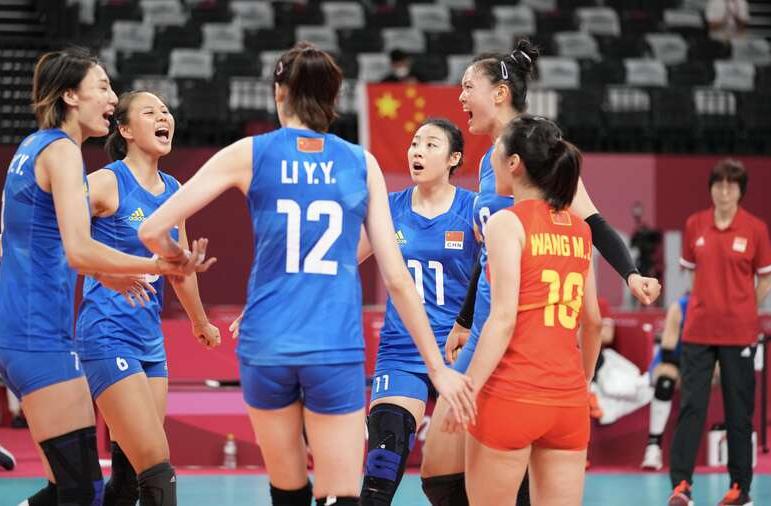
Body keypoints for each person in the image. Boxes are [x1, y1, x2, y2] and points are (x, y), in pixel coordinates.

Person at [138, 42, 476, 506]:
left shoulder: (250, 153)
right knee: (341, 494)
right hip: (332, 344)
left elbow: (152, 230)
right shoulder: (360, 163)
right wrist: (438, 369)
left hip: (267, 340)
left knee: (288, 490)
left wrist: (176, 258)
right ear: (334, 98)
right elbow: (398, 280)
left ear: (280, 93)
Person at [419, 39, 662, 506]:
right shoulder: (493, 162)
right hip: (490, 327)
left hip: (517, 340)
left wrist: (630, 274)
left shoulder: (538, 154)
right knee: (440, 469)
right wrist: (465, 318)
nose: (461, 97)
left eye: (468, 87)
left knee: (484, 464)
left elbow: (593, 223)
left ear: (500, 94)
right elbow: (490, 252)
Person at [0, 47, 213, 506]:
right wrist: (155, 266)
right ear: (71, 96)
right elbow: (78, 248)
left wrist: (109, 270)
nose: (112, 98)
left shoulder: (33, 147)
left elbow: (52, 243)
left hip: (47, 330)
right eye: (102, 87)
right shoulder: (66, 155)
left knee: (89, 488)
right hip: (56, 333)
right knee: (122, 477)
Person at [74, 90, 220, 506]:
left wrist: (199, 322)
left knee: (129, 477)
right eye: (150, 112)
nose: (163, 117)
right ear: (124, 129)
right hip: (107, 334)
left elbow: (179, 268)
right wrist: (102, 272)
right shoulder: (107, 182)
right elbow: (61, 236)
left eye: (166, 111)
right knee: (157, 466)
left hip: (149, 342)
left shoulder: (175, 190)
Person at [448, 115, 602, 505]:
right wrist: (582, 385)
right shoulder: (581, 229)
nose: (492, 156)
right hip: (567, 400)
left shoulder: (507, 223)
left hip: (511, 394)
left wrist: (468, 389)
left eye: (497, 149)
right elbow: (594, 323)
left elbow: (502, 320)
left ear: (513, 163)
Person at [357, 118, 479, 505]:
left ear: (453, 159)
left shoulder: (474, 209)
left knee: (449, 482)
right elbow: (339, 263)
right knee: (382, 458)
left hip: (459, 355)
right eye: (414, 143)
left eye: (430, 145)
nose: (418, 152)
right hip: (402, 350)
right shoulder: (388, 208)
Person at [668, 159, 771, 506]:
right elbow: (692, 274)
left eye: (731, 185)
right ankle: (681, 486)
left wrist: (744, 306)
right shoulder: (694, 224)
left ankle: (740, 488)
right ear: (711, 188)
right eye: (718, 184)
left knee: (738, 412)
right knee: (691, 407)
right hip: (698, 331)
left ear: (740, 191)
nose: (724, 191)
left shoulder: (755, 229)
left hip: (739, 333)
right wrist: (709, 300)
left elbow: (766, 278)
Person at [641, 293, 690, 471]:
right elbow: (668, 352)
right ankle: (654, 446)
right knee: (665, 380)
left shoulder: (721, 307)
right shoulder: (680, 307)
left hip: (705, 365)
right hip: (675, 364)